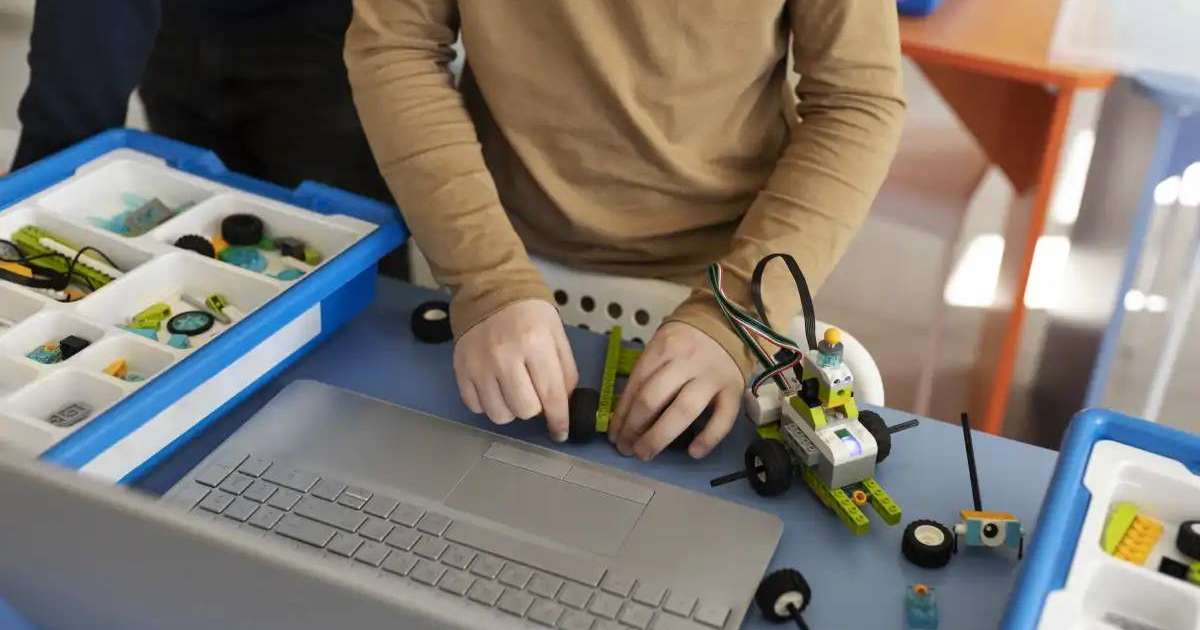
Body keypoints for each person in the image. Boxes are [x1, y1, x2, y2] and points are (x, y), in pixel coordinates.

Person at [347, 1, 904, 460]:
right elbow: (397, 46)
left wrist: (734, 313)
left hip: (718, 281)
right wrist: (486, 277)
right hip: (494, 259)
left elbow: (855, 101)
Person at [12, 0, 405, 275]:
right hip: (174, 27)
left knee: (355, 251)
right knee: (201, 239)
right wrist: (39, 192)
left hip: (332, 34)